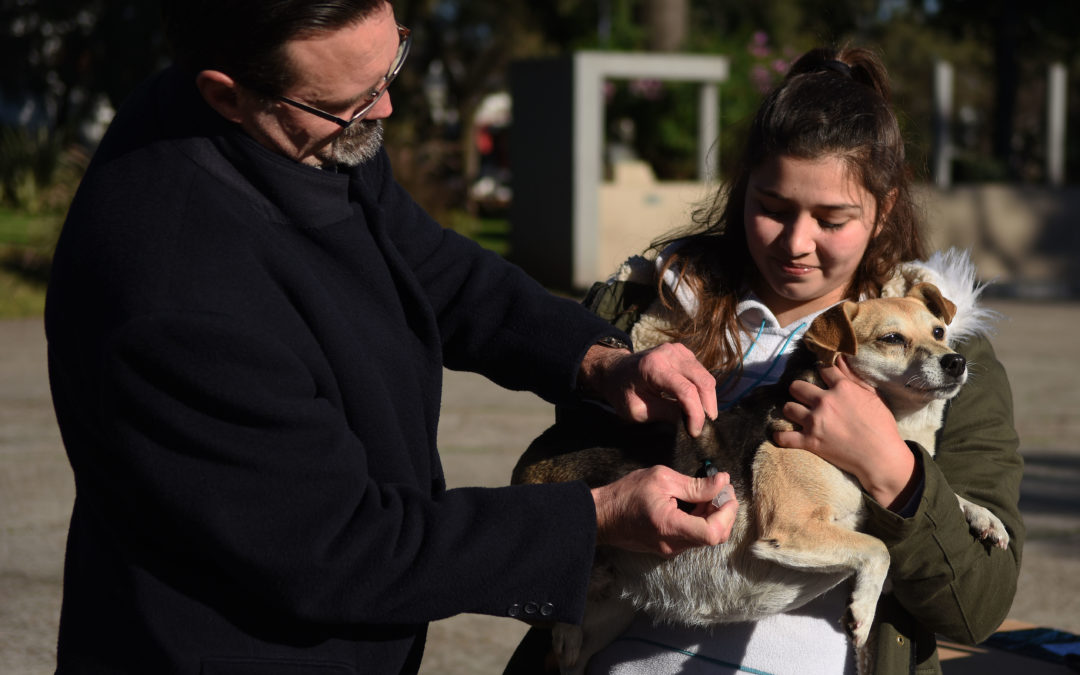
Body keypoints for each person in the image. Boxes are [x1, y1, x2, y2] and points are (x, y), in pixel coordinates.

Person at [43, 1, 741, 672]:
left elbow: (425, 263)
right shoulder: (175, 294)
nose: (385, 109)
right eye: (354, 100)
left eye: (392, 65)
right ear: (226, 95)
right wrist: (595, 516)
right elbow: (344, 544)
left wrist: (598, 360)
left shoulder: (303, 124)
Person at [504, 46, 1023, 674]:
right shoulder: (638, 317)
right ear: (741, 187)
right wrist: (595, 528)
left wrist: (895, 472)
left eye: (832, 218)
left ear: (883, 211)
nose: (797, 243)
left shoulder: (950, 363)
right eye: (773, 208)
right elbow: (537, 536)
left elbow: (977, 606)